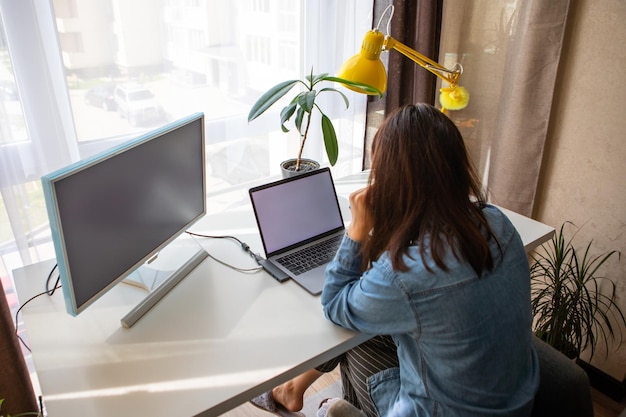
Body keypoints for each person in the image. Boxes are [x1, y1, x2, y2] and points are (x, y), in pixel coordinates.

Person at [251, 103, 539, 417]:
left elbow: (335, 305)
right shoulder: (496, 223)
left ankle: (327, 403)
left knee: (354, 325)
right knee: (373, 315)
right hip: (515, 403)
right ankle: (294, 389)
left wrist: (358, 230)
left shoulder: (407, 276)